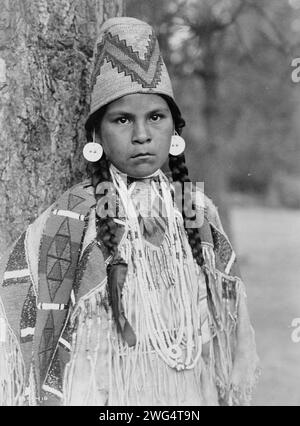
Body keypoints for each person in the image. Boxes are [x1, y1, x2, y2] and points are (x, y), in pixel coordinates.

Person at [0, 17, 259, 406]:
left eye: (155, 117)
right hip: (103, 394)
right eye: (123, 120)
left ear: (174, 129)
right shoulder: (74, 213)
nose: (141, 134)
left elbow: (225, 315)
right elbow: (23, 300)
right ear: (96, 135)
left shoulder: (195, 209)